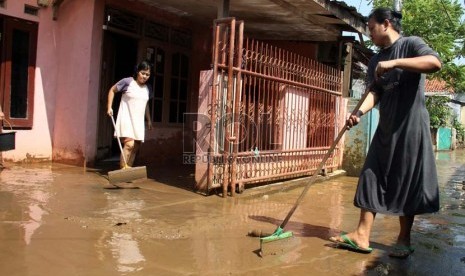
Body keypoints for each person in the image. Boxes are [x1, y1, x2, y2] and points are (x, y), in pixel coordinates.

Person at [329, 7, 442, 258]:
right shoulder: (374, 60)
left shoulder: (411, 45)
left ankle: (404, 239)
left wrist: (395, 62)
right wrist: (358, 113)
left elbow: (434, 63)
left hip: (411, 127)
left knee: (406, 179)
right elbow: (375, 92)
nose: (369, 34)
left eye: (371, 28)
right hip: (386, 127)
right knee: (371, 174)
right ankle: (361, 235)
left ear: (386, 24)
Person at [107, 61, 153, 169]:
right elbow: (112, 90)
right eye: (143, 73)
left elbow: (146, 104)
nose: (145, 76)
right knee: (129, 145)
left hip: (138, 121)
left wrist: (149, 120)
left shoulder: (148, 88)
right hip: (126, 118)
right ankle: (123, 169)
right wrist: (109, 107)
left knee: (136, 147)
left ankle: (129, 170)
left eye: (147, 74)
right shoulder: (127, 82)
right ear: (137, 71)